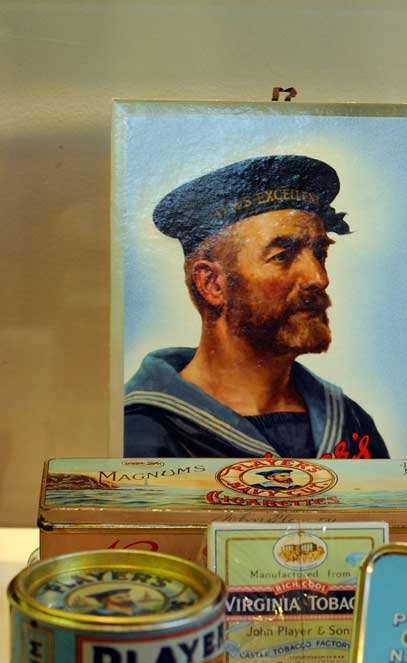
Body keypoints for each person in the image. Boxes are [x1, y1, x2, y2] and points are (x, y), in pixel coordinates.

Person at [123, 155, 389, 459]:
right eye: (282, 256)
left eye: (319, 254)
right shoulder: (142, 432)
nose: (319, 278)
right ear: (212, 284)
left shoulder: (351, 426)